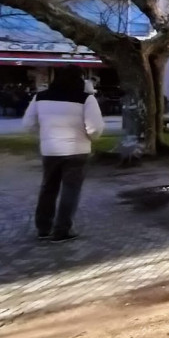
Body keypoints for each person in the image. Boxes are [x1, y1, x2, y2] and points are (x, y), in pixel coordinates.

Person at [23, 66, 104, 241]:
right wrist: (90, 137)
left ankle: (43, 227)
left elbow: (28, 124)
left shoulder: (40, 98)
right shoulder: (86, 99)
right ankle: (62, 229)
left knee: (48, 188)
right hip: (77, 150)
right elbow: (95, 128)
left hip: (50, 150)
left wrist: (44, 135)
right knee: (71, 190)